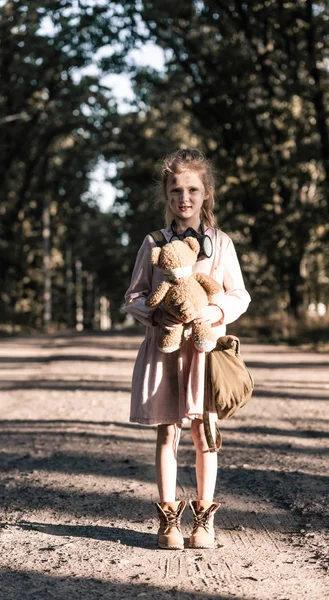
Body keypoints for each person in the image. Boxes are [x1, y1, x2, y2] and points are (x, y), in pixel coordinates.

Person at [123, 149, 251, 550]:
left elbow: (239, 294)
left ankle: (204, 522)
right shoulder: (154, 243)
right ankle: (168, 522)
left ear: (207, 193)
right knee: (167, 434)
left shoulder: (221, 242)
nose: (185, 198)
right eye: (176, 189)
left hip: (204, 354)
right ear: (166, 193)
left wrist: (213, 311)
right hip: (165, 352)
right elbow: (134, 295)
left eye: (193, 189)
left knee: (204, 434)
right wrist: (154, 313)